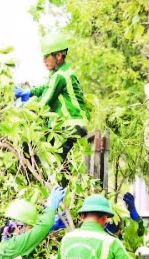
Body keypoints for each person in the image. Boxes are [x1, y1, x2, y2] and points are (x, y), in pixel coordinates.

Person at [14, 31, 88, 165]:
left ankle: (48, 181)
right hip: (71, 126)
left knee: (32, 146)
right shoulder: (61, 73)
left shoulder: (60, 76)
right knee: (47, 155)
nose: (43, 60)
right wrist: (28, 93)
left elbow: (43, 102)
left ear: (58, 56)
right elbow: (45, 88)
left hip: (68, 126)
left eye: (46, 56)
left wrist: (21, 110)